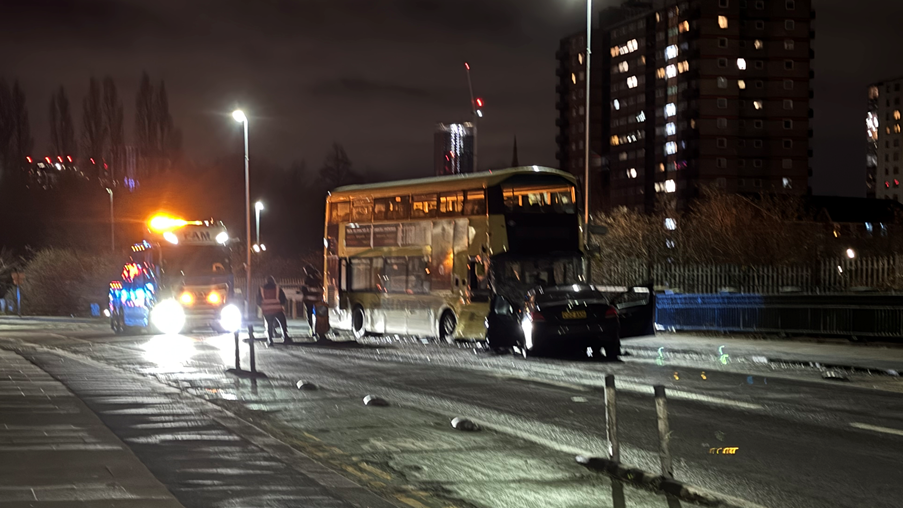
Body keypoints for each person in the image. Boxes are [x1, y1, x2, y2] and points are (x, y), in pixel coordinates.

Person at [258, 275, 292, 345]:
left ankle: (270, 339)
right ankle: (285, 337)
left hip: (267, 310)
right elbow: (283, 299)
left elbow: (258, 300)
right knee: (282, 323)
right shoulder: (278, 288)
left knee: (269, 324)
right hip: (277, 309)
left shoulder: (261, 289)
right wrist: (280, 304)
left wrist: (262, 306)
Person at [301, 265, 323, 333]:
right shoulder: (318, 276)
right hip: (318, 299)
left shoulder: (308, 278)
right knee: (319, 314)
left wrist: (303, 291)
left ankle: (312, 329)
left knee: (310, 314)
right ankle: (320, 328)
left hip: (309, 300)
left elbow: (305, 289)